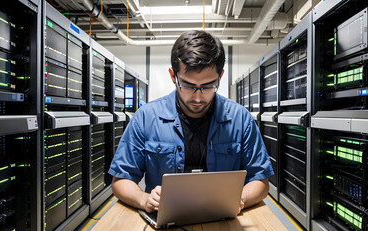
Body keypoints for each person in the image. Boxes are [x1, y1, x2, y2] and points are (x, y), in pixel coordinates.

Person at [109, 30, 274, 214]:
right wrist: (144, 199)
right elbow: (121, 179)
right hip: (164, 222)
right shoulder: (146, 117)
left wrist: (239, 198)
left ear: (220, 76)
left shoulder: (240, 119)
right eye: (188, 85)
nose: (198, 97)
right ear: (173, 76)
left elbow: (260, 180)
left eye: (208, 86)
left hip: (223, 220)